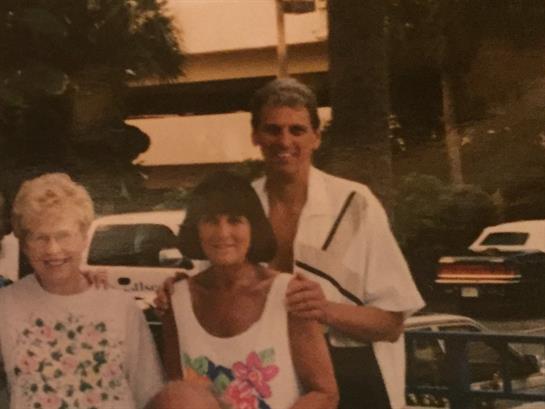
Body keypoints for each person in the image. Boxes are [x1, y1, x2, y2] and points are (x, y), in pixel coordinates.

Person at [245, 77, 426, 409]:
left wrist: (324, 308)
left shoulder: (355, 204)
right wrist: (177, 288)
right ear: (255, 135)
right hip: (264, 376)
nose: (284, 141)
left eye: (297, 130)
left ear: (316, 137)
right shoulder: (240, 207)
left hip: (352, 377)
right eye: (272, 129)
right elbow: (213, 295)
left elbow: (391, 323)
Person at [151, 172, 338, 409]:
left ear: (254, 228)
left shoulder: (289, 295)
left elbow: (324, 393)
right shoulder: (176, 301)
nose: (223, 233)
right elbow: (177, 395)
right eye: (211, 221)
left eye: (235, 220)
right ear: (196, 229)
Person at [0, 173, 164, 409]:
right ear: (25, 245)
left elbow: (149, 392)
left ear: (84, 238)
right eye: (40, 238)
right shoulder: (6, 305)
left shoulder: (120, 308)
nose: (53, 249)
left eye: (63, 235)